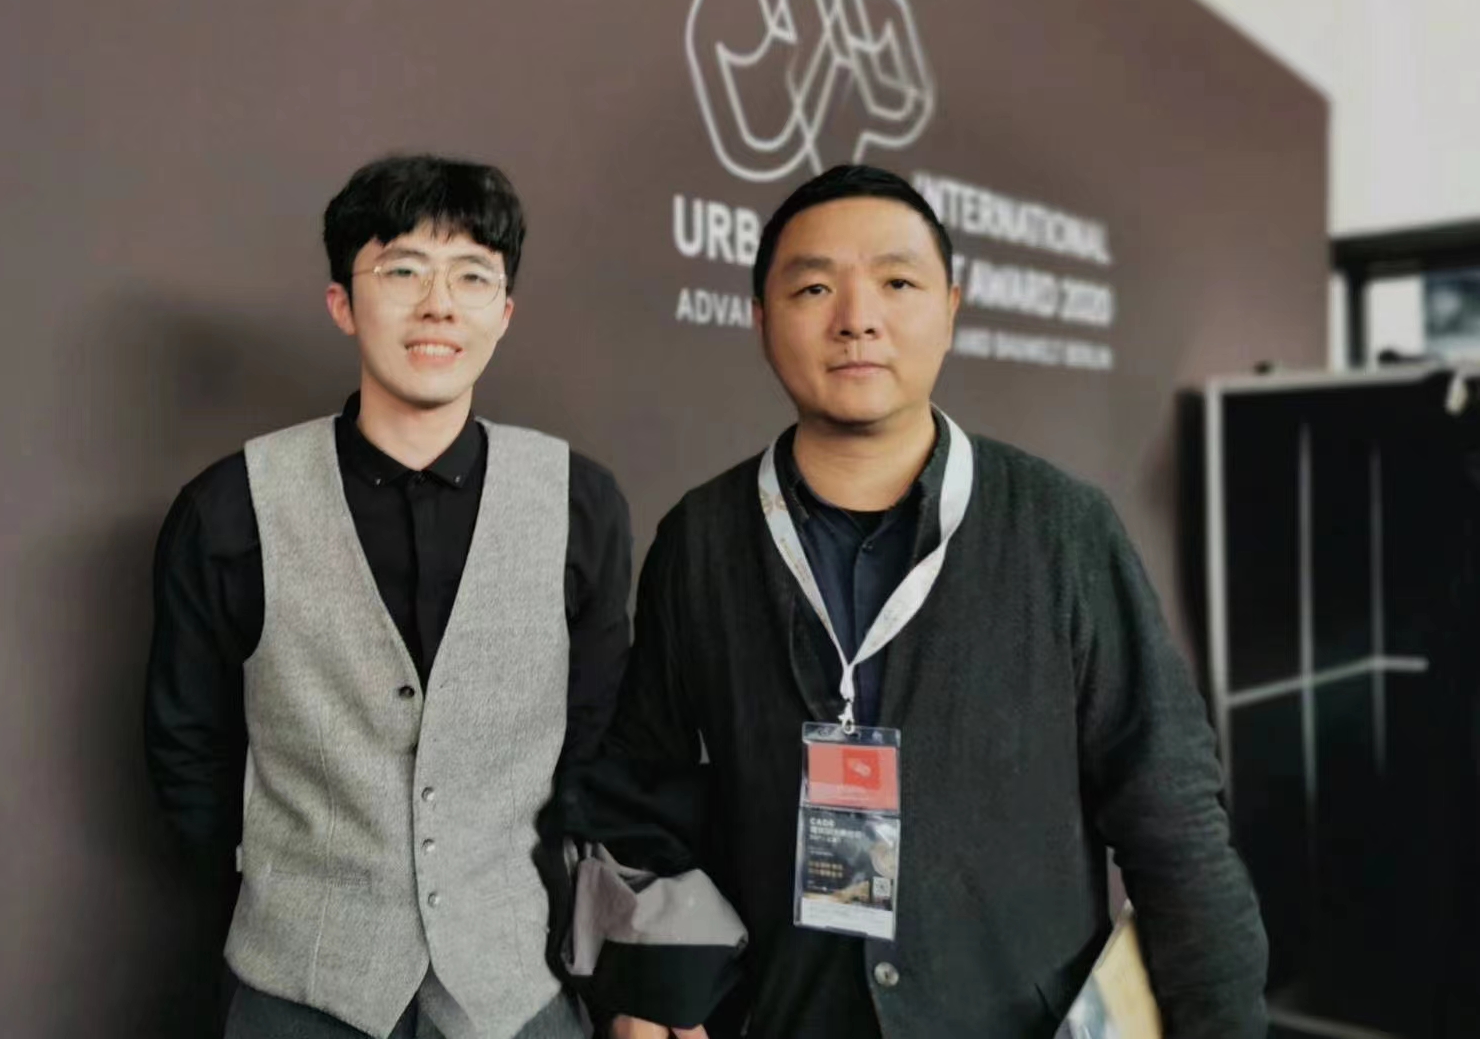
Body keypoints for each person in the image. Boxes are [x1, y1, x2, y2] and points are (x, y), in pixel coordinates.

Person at [589, 165, 1269, 1039]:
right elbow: (643, 789)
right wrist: (652, 988)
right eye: (814, 288)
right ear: (760, 320)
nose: (857, 318)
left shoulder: (1061, 528)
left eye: (897, 283)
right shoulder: (702, 540)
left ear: (950, 309)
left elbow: (1170, 817)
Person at [144, 154, 632, 1039]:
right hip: (296, 990)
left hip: (512, 991)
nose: (439, 303)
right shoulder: (230, 507)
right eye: (403, 270)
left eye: (472, 275)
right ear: (342, 302)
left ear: (504, 312)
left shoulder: (579, 503)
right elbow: (188, 744)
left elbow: (596, 737)